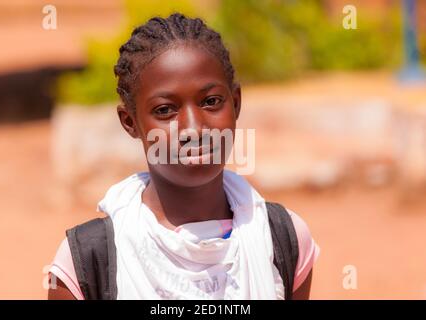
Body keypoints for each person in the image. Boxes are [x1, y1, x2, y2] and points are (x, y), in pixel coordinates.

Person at [48, 13, 319, 300]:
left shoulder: (282, 240)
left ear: (236, 103)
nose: (194, 128)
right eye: (165, 110)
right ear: (130, 122)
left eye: (211, 102)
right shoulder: (89, 262)